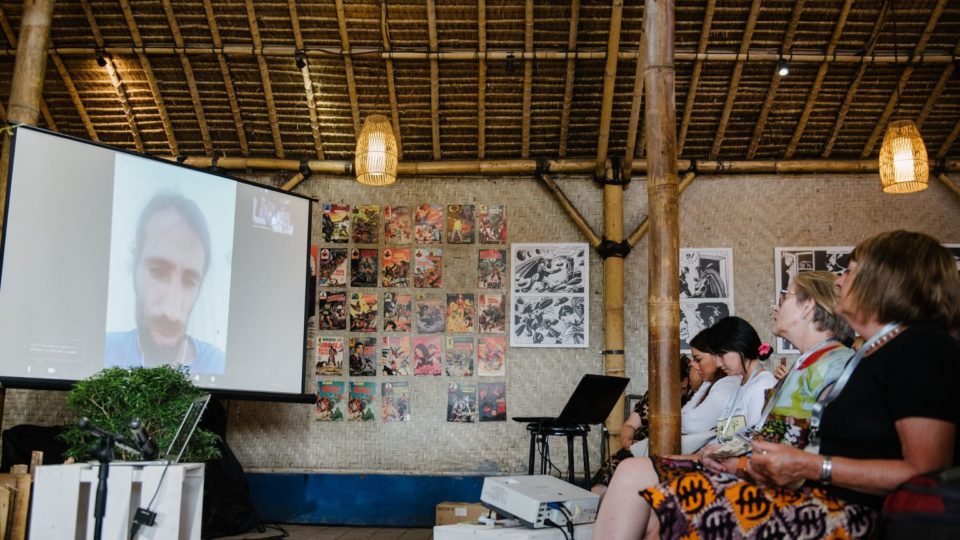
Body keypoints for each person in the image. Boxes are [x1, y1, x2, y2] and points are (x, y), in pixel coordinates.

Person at [595, 230, 960, 539]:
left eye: (849, 271)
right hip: (817, 495)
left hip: (843, 514)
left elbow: (925, 473)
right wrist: (754, 465)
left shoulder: (920, 347)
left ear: (887, 279)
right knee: (646, 498)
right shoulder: (878, 354)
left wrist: (809, 467)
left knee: (636, 480)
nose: (838, 280)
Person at [104, 192, 225, 374]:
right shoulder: (104, 351)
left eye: (190, 281)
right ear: (135, 267)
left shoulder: (216, 365)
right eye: (158, 272)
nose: (171, 312)